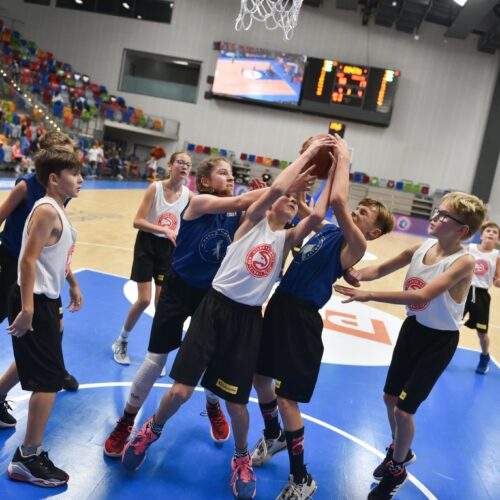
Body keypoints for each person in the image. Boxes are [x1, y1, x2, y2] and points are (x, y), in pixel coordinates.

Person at [120, 136, 335, 500]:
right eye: (285, 197)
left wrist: (337, 168)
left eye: (294, 200)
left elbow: (316, 216)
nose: (290, 201)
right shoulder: (251, 222)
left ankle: (241, 458)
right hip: (214, 308)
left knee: (236, 403)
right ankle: (150, 430)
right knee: (180, 390)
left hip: (248, 321)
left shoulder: (286, 239)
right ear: (269, 203)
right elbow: (274, 191)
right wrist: (308, 158)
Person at [251, 135, 394, 500]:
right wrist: (308, 176)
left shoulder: (356, 245)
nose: (357, 212)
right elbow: (307, 209)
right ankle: (274, 435)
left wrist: (342, 161)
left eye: (365, 214)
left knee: (287, 399)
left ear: (374, 231)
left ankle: (301, 478)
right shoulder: (329, 229)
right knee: (259, 376)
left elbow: (339, 202)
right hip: (280, 305)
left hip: (301, 319)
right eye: (359, 209)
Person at [103, 155, 273, 458]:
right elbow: (243, 200)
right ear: (205, 181)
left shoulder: (238, 212)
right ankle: (126, 421)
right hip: (177, 289)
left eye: (232, 173)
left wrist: (264, 199)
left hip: (211, 296)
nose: (231, 177)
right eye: (223, 173)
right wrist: (272, 190)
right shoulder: (198, 202)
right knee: (155, 360)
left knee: (209, 360)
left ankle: (212, 405)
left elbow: (255, 213)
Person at [335, 192, 486, 499]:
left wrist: (369, 295)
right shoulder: (423, 247)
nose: (435, 217)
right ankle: (399, 450)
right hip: (413, 330)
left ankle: (397, 470)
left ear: (461, 230)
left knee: (404, 412)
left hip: (438, 342)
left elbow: (422, 295)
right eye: (437, 211)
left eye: (444, 216)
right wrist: (354, 273)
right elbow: (378, 270)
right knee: (389, 397)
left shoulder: (464, 262)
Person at [6, 147, 83, 487]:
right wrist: (27, 309)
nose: (81, 179)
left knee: (40, 366)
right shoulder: (48, 210)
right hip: (34, 299)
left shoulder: (57, 210)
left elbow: (55, 257)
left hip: (46, 299)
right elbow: (27, 260)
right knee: (49, 380)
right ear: (54, 178)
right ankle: (27, 457)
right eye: (74, 174)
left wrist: (73, 283)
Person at [112, 152, 193, 365]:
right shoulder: (155, 188)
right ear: (170, 165)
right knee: (144, 300)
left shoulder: (189, 195)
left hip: (168, 250)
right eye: (180, 162)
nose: (184, 166)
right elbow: (137, 221)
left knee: (161, 304)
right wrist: (164, 229)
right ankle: (121, 340)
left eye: (188, 164)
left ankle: (155, 354)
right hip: (147, 245)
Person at [462, 221, 500, 374]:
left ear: (498, 239)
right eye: (488, 230)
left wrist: (498, 282)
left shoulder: (496, 256)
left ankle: (485, 357)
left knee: (482, 333)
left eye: (495, 232)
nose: (491, 233)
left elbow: (497, 279)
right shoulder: (470, 248)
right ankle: (440, 352)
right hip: (463, 291)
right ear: (482, 235)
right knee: (452, 324)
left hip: (482, 296)